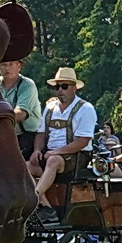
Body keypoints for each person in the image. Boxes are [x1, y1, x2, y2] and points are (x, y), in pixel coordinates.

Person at [29, 67, 96, 211]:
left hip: (77, 157)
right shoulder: (50, 108)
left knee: (53, 161)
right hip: (51, 154)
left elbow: (83, 141)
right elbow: (41, 133)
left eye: (64, 86)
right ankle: (44, 205)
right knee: (24, 166)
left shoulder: (86, 109)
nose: (60, 90)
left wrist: (55, 153)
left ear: (74, 88)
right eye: (57, 86)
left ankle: (35, 195)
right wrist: (36, 150)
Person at [0, 58, 42, 160]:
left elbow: (20, 114)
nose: (7, 68)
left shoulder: (27, 85)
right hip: (3, 135)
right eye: (4, 65)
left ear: (19, 66)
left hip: (27, 137)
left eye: (11, 64)